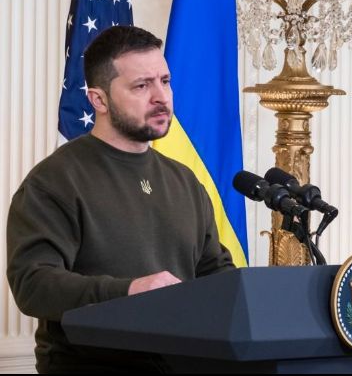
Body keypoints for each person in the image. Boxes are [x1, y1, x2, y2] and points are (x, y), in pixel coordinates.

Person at [6, 25, 235, 373]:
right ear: (99, 99)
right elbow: (33, 284)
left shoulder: (184, 180)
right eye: (142, 86)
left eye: (165, 81)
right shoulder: (54, 180)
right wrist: (130, 290)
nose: (161, 96)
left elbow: (214, 273)